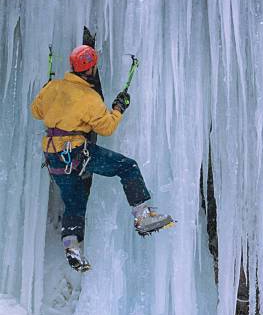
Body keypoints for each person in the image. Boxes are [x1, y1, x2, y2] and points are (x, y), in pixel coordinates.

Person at [31, 45, 173, 272]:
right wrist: (118, 109)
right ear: (91, 69)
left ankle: (71, 246)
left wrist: (47, 89)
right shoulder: (89, 97)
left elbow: (37, 111)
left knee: (74, 202)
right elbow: (106, 127)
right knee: (127, 167)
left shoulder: (53, 88)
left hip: (54, 159)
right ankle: (142, 215)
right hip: (76, 153)